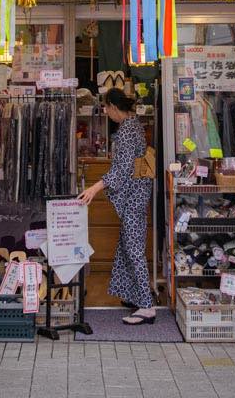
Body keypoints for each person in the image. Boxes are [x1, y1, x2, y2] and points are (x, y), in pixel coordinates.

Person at [78, 87, 155, 325]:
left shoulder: (127, 131)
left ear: (112, 106)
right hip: (138, 194)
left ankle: (147, 306)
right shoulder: (134, 126)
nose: (105, 112)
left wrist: (95, 188)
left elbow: (121, 171)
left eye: (105, 107)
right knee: (127, 245)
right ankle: (135, 295)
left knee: (133, 249)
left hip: (133, 197)